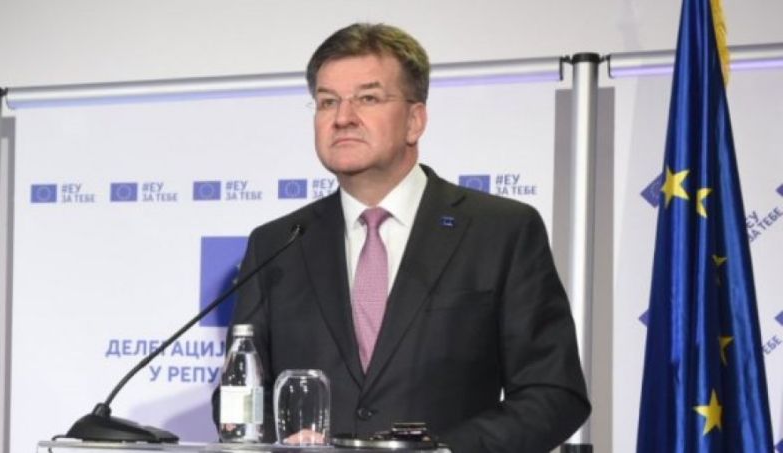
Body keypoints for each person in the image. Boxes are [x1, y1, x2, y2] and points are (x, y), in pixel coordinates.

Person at [214, 23, 591, 452]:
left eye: (368, 98)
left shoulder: (501, 230)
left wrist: (445, 451)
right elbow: (235, 396)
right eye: (327, 102)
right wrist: (279, 440)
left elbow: (553, 393)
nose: (342, 117)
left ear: (415, 120)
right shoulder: (278, 244)